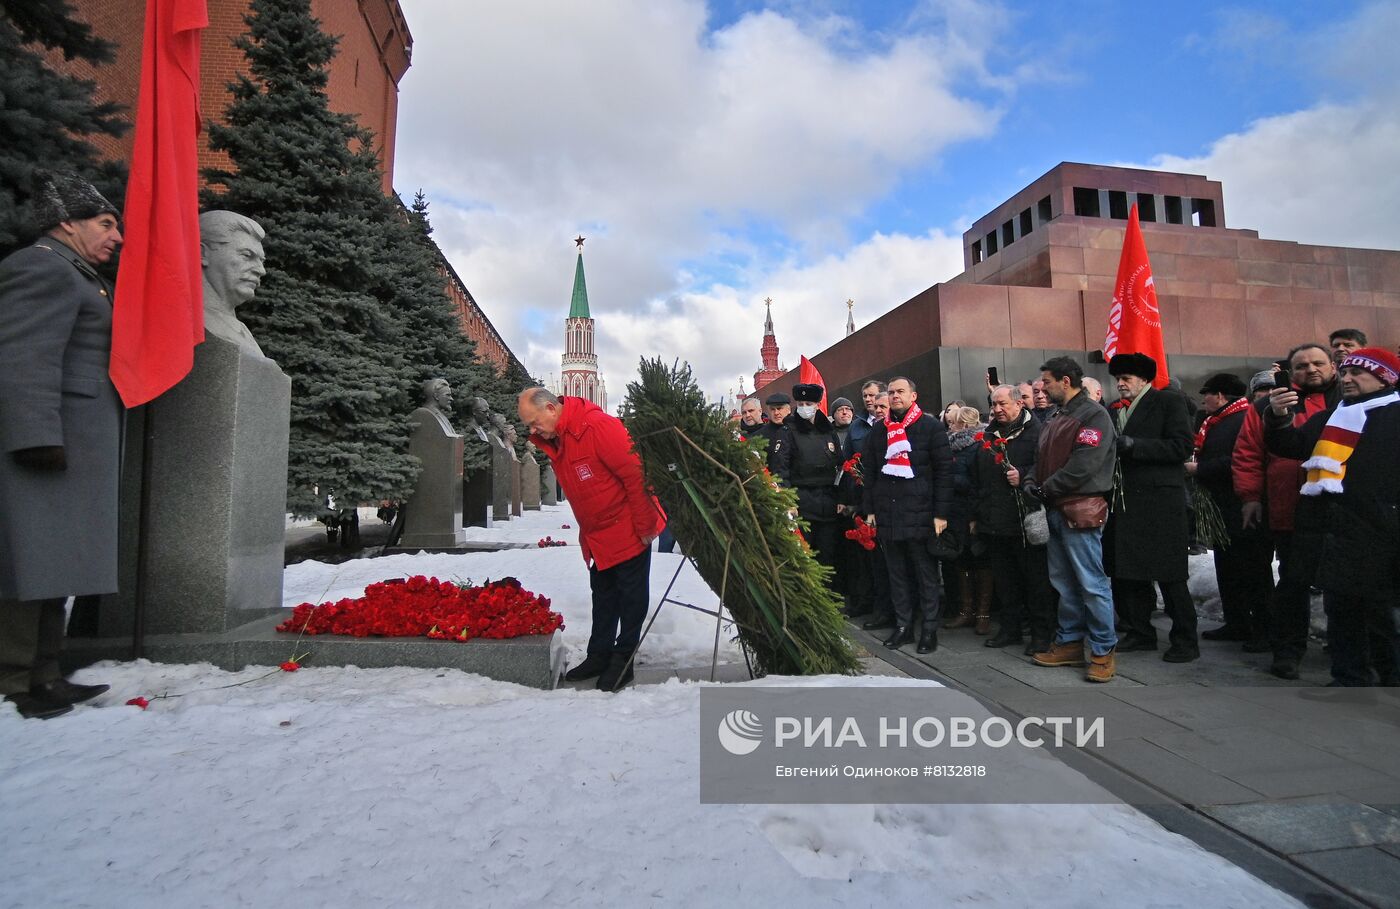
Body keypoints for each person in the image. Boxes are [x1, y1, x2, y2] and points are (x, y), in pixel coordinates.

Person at [0, 171, 122, 720]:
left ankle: (46, 672)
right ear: (65, 222)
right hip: (47, 442)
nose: (115, 236)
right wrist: (34, 436)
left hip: (75, 439)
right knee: (29, 559)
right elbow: (23, 357)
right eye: (105, 223)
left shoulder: (76, 274)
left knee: (55, 559)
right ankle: (15, 679)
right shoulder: (40, 267)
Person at [1264, 347, 1400, 686]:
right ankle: (1350, 674)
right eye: (1346, 372)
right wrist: (1278, 418)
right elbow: (1292, 446)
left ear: (1384, 377)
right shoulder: (1333, 415)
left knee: (1378, 608)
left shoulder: (1394, 414)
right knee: (1341, 605)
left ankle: (1390, 672)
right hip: (1328, 527)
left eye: (1359, 373)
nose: (1348, 378)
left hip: (1380, 527)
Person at [518, 387, 666, 691]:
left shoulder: (598, 426)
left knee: (631, 596)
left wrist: (643, 526)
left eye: (534, 423)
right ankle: (599, 654)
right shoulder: (559, 436)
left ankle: (623, 659)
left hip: (627, 525)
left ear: (550, 408)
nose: (532, 431)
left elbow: (636, 475)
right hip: (597, 533)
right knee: (603, 594)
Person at [1232, 343, 1341, 680]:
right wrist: (1250, 496)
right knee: (1294, 583)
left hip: (1343, 512)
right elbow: (1248, 452)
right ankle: (1288, 650)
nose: (1310, 370)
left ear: (1333, 367)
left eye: (1317, 363)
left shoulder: (1349, 401)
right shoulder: (1268, 405)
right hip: (1289, 508)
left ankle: (1346, 651)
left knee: (1345, 585)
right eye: (1302, 365)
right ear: (1290, 373)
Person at [1021, 356, 1119, 682]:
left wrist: (1045, 488)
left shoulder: (1094, 415)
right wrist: (1032, 481)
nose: (1042, 389)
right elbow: (1042, 457)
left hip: (1079, 510)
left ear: (1065, 381)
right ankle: (1070, 643)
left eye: (1047, 382)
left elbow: (1084, 465)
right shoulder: (1058, 417)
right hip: (1057, 509)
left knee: (1091, 584)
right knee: (1064, 584)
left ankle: (1103, 651)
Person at [1103, 353, 1199, 663]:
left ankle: (1185, 640)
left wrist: (1135, 446)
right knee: (1131, 572)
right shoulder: (1117, 410)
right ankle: (1140, 632)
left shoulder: (1168, 402)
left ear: (1144, 380)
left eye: (1127, 378)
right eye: (1118, 378)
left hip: (1160, 503)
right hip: (1128, 501)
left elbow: (1182, 446)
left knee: (1170, 576)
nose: (1120, 384)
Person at [861, 376, 953, 653]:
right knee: (896, 574)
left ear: (914, 396)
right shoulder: (878, 432)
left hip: (921, 513)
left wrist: (941, 513)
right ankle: (903, 626)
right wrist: (870, 510)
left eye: (901, 391)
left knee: (925, 574)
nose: (895, 396)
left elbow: (944, 472)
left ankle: (929, 629)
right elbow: (871, 474)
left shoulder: (931, 427)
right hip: (889, 512)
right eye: (891, 392)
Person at [1192, 373, 1272, 650]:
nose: (1204, 399)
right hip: (1222, 508)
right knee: (1227, 568)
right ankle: (1237, 622)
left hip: (1243, 507)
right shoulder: (1216, 421)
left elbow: (1239, 459)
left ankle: (1263, 630)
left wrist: (1200, 469)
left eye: (1208, 394)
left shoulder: (1243, 419)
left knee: (1252, 571)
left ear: (1221, 395)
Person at [973, 385, 1055, 653]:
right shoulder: (988, 435)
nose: (997, 410)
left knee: (1035, 582)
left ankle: (1042, 635)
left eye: (1002, 404)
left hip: (1025, 521)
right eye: (993, 405)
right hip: (995, 522)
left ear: (1019, 404)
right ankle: (1010, 629)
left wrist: (1024, 477)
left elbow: (1048, 467)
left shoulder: (1037, 432)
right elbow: (979, 476)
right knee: (1005, 582)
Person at [943, 405, 996, 636]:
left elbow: (978, 482)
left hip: (972, 511)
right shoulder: (950, 446)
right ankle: (966, 610)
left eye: (953, 422)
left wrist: (949, 479)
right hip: (955, 512)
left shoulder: (978, 447)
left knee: (980, 560)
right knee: (961, 559)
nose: (949, 425)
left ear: (963, 425)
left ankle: (983, 613)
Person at [785, 383, 843, 574]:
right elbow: (781, 468)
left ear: (818, 404)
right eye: (800, 403)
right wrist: (788, 500)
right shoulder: (789, 430)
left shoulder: (828, 430)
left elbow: (840, 464)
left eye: (808, 403)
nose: (804, 407)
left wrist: (842, 499)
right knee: (804, 557)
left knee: (828, 555)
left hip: (828, 502)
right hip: (802, 502)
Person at [199, 210, 267, 356]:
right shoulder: (193, 321)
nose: (261, 270)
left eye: (262, 261)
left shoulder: (242, 332)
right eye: (247, 255)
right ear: (202, 253)